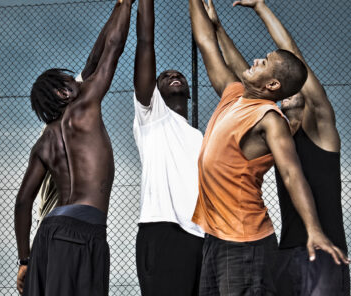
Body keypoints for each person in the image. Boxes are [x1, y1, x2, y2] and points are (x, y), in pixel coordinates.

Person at [189, 0, 349, 295]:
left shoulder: (320, 130)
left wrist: (261, 7)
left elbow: (293, 61)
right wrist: (219, 28)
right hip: (286, 249)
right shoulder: (270, 127)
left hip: (324, 247)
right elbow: (246, 76)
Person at [13, 0, 133, 294]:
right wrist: (129, 4)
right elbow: (112, 50)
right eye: (69, 79)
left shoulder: (44, 142)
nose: (78, 79)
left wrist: (25, 260)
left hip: (49, 238)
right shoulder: (84, 105)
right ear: (62, 91)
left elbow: (22, 201)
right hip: (79, 234)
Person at [132, 0, 204, 295]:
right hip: (162, 231)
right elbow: (146, 42)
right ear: (155, 89)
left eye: (180, 76)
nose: (174, 75)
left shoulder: (201, 137)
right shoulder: (151, 116)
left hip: (202, 237)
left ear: (188, 91)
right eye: (165, 76)